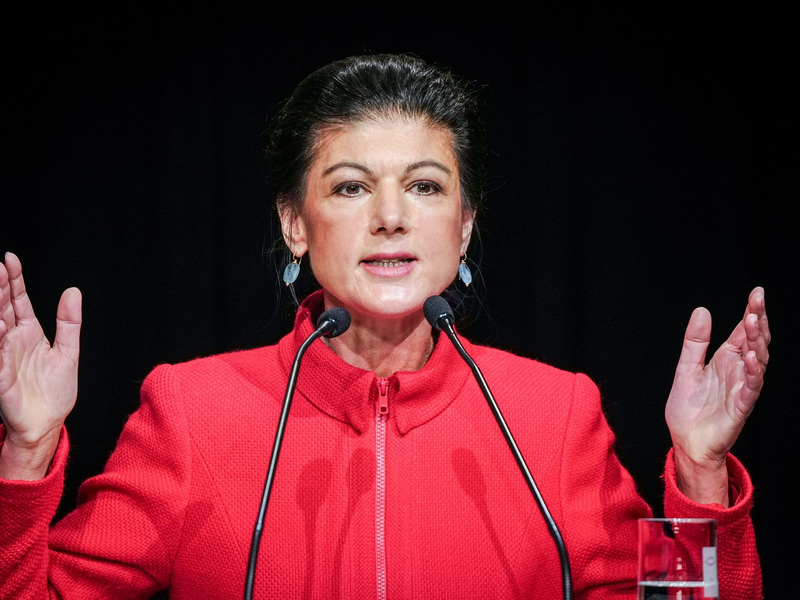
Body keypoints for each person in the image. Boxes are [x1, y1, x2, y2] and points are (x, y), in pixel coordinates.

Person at [0, 54, 768, 599]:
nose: (391, 217)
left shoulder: (556, 412)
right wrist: (26, 454)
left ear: (464, 227)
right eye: (350, 186)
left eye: (426, 186)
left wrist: (700, 478)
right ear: (295, 224)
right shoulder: (191, 410)